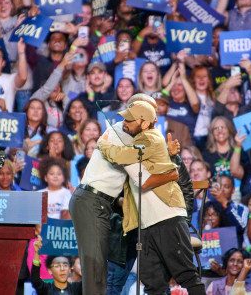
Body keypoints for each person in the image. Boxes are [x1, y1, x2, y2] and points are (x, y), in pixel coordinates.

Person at [69, 94, 180, 294]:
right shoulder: (124, 134)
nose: (154, 121)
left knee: (99, 272)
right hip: (91, 201)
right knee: (95, 272)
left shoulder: (131, 134)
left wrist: (166, 154)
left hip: (98, 203)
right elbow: (143, 179)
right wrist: (172, 173)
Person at [96, 101, 205, 294]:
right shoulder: (143, 140)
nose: (125, 123)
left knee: (187, 275)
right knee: (153, 283)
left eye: (130, 119)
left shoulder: (149, 139)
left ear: (145, 123)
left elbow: (122, 157)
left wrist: (102, 144)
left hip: (167, 218)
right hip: (146, 225)